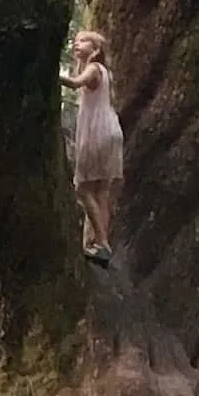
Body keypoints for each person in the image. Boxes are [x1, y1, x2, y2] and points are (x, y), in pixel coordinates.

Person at [60, 30, 123, 264]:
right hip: (111, 131)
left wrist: (51, 74)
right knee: (101, 191)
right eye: (75, 42)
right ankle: (97, 244)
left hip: (97, 133)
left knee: (83, 189)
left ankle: (103, 243)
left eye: (82, 41)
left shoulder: (94, 69)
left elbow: (75, 84)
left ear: (95, 48)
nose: (76, 44)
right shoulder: (105, 72)